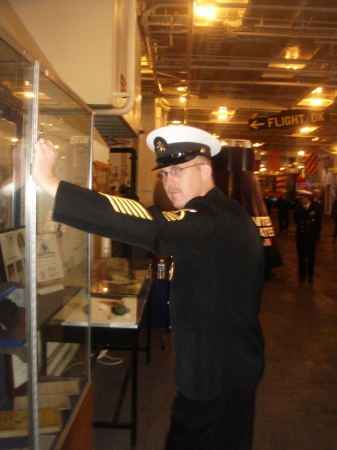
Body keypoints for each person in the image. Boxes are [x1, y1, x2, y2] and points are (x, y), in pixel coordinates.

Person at [32, 125, 265, 450]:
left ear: (205, 168)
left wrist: (51, 184)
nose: (169, 181)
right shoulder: (222, 213)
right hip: (231, 365)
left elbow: (150, 224)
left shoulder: (211, 218)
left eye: (178, 171)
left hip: (214, 375)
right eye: (164, 173)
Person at [293, 190, 319, 283]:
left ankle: (310, 275)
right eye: (300, 199)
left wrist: (316, 238)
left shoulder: (315, 208)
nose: (300, 200)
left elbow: (318, 225)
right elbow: (296, 220)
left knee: (311, 257)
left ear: (307, 198)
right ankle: (302, 275)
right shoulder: (298, 208)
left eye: (302, 198)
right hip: (301, 237)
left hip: (310, 237)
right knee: (301, 257)